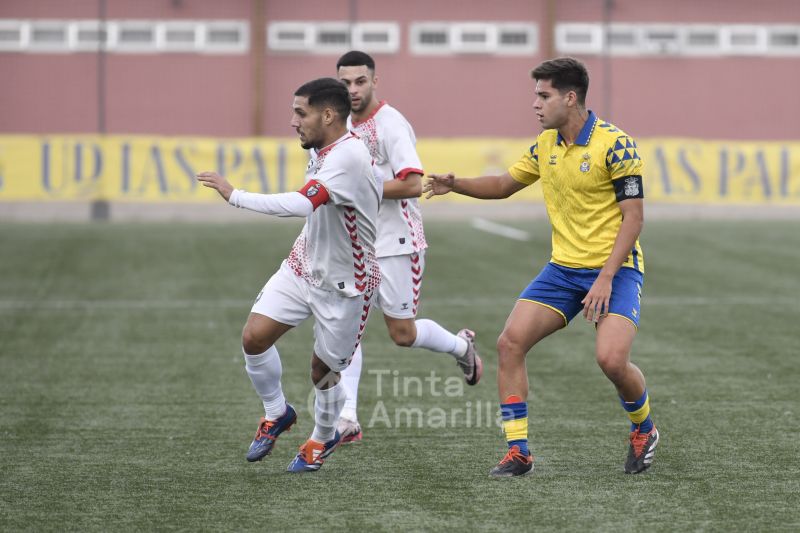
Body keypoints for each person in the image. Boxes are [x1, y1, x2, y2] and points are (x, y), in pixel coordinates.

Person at [424, 57, 658, 477]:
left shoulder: (616, 145)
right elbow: (503, 185)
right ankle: (519, 452)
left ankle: (644, 428)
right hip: (563, 271)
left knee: (611, 360)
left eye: (543, 95)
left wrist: (605, 278)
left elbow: (634, 218)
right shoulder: (545, 145)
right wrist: (455, 185)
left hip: (616, 270)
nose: (535, 103)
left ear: (570, 98)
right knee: (509, 344)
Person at [196, 77, 381, 473]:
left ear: (327, 115)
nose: (293, 121)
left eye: (300, 113)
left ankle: (323, 436)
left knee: (322, 371)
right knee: (254, 338)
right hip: (303, 264)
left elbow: (301, 204)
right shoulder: (321, 146)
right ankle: (277, 412)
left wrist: (235, 195)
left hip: (346, 284)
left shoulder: (349, 156)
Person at [334, 50, 483, 443]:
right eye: (345, 83)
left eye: (360, 81)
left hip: (398, 243)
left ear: (374, 81)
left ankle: (461, 347)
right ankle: (346, 418)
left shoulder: (391, 124)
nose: (352, 89)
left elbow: (413, 183)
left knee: (402, 333)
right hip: (355, 244)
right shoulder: (340, 124)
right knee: (345, 327)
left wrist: (358, 189)